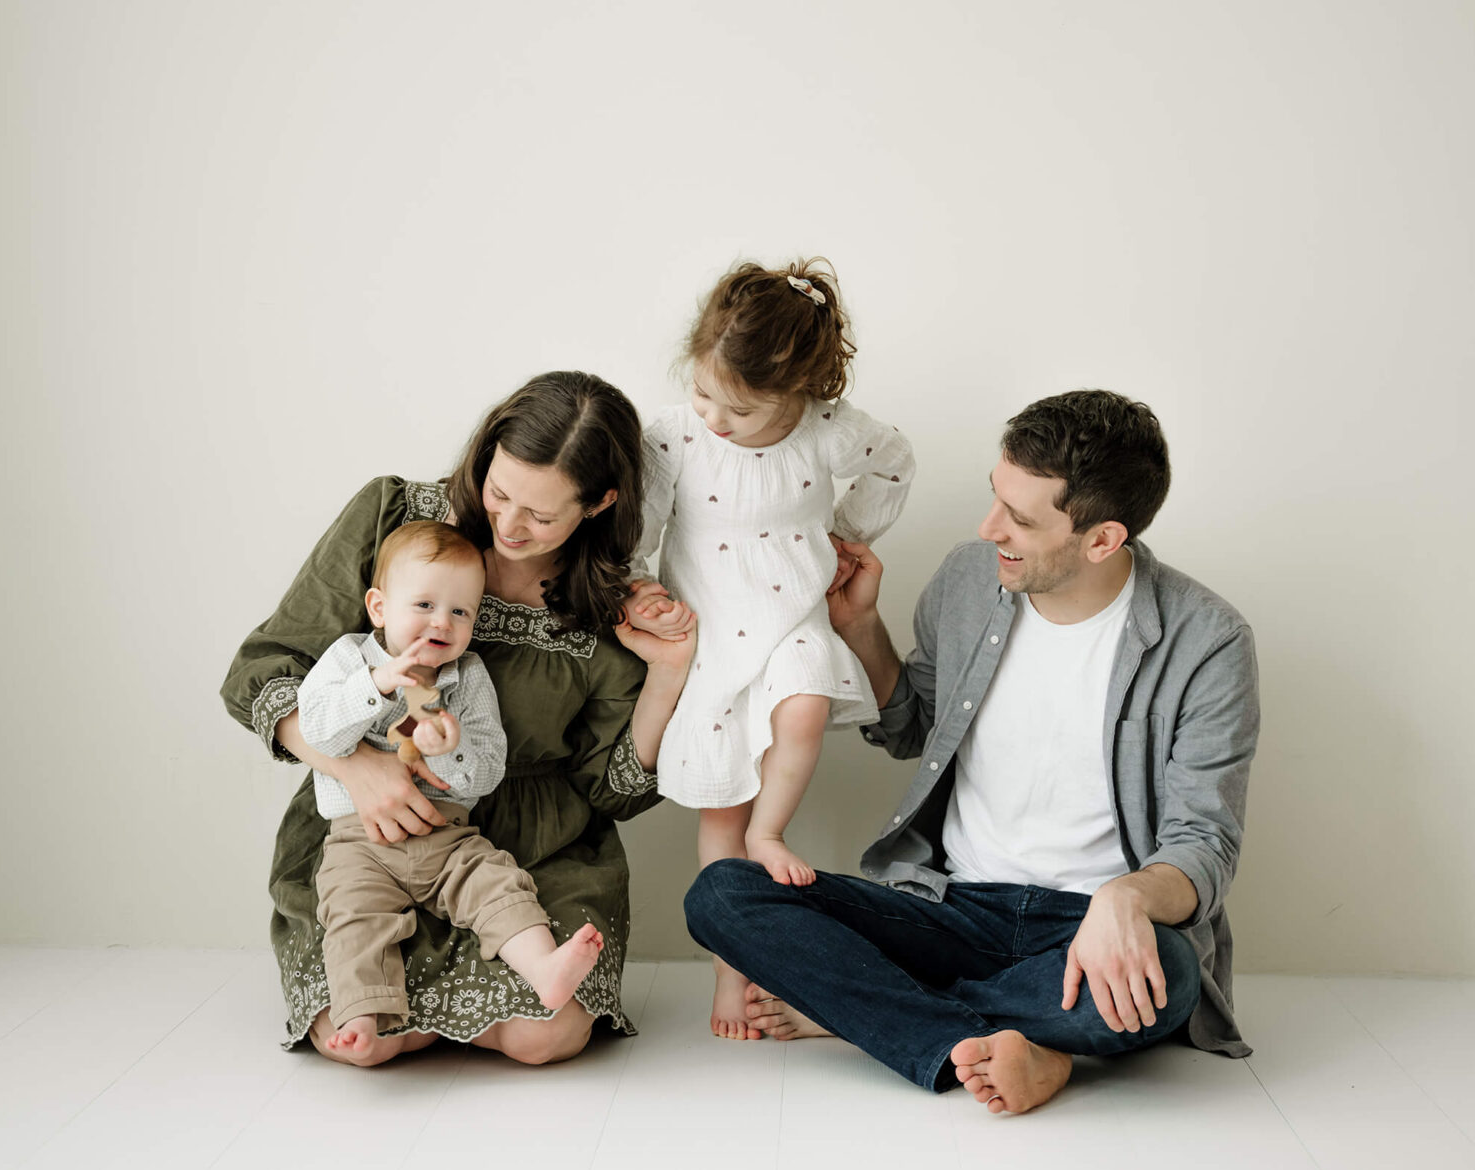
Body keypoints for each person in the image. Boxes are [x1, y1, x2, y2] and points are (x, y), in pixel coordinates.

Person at [684, 388, 1260, 1113]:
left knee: (1169, 973)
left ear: (1103, 539)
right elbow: (914, 731)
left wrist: (1127, 896)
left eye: (1020, 519)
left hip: (1085, 932)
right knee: (723, 892)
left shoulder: (1208, 642)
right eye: (997, 498)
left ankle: (874, 1013)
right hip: (950, 908)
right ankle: (1038, 1049)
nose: (991, 528)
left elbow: (1204, 843)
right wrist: (862, 628)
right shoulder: (967, 579)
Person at [222, 370, 694, 1068]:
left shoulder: (605, 602)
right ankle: (426, 1012)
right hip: (371, 831)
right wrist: (357, 768)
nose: (507, 525)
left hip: (535, 852)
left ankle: (470, 1006)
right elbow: (261, 672)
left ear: (599, 504)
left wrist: (670, 671)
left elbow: (613, 788)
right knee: (365, 1039)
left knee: (546, 1034)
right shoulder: (394, 515)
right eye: (499, 493)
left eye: (541, 514)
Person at [625, 258, 916, 1040]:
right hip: (715, 631)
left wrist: (848, 534)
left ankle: (772, 828)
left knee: (807, 702)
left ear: (799, 394)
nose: (715, 418)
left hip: (791, 616)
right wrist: (637, 585)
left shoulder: (830, 430)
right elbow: (641, 524)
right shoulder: (674, 434)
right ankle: (733, 974)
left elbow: (894, 461)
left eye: (740, 409)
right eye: (704, 394)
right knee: (723, 806)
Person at [298, 520, 607, 1063]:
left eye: (461, 612)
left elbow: (487, 770)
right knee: (352, 917)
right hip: (359, 843)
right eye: (423, 605)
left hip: (448, 837)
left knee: (499, 883)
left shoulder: (468, 676)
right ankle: (363, 1019)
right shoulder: (349, 660)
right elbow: (319, 728)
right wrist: (379, 685)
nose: (441, 621)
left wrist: (450, 745)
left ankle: (544, 968)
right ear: (379, 608)